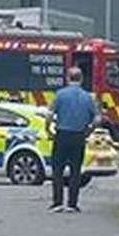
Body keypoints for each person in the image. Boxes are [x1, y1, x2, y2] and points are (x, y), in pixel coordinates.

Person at [48, 67, 98, 213]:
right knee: (75, 171)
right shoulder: (87, 97)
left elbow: (50, 115)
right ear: (81, 79)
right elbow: (96, 119)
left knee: (58, 170)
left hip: (62, 135)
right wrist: (88, 131)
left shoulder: (60, 95)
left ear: (67, 78)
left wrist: (48, 130)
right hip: (79, 136)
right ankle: (72, 204)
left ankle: (57, 202)